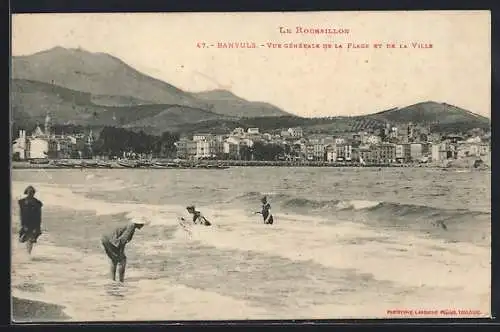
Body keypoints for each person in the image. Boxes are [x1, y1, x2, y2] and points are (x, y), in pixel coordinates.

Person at [101, 215, 149, 282]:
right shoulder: (131, 226)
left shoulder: (129, 224)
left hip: (105, 238)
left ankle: (112, 280)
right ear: (138, 223)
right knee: (122, 260)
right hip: (111, 240)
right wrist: (121, 252)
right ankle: (121, 281)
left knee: (114, 260)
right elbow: (123, 240)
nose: (143, 225)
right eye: (142, 224)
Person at [18, 186, 43, 255]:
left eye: (32, 192)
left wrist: (38, 226)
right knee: (24, 239)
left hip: (34, 223)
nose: (30, 194)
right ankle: (26, 254)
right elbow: (21, 214)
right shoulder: (22, 202)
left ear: (33, 193)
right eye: (29, 192)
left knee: (30, 239)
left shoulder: (37, 203)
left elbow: (39, 216)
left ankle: (28, 254)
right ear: (26, 192)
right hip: (26, 222)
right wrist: (23, 225)